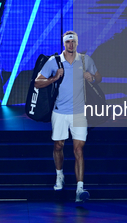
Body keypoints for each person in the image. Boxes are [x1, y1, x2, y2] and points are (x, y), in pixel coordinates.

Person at [35, 31, 101, 202]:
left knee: (78, 149)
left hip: (79, 113)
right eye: (68, 42)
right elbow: (37, 82)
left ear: (77, 43)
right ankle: (60, 176)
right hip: (59, 112)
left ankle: (80, 189)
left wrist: (92, 78)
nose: (71, 45)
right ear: (64, 44)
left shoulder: (85, 60)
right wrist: (54, 78)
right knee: (58, 146)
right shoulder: (54, 61)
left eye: (73, 42)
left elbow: (99, 77)